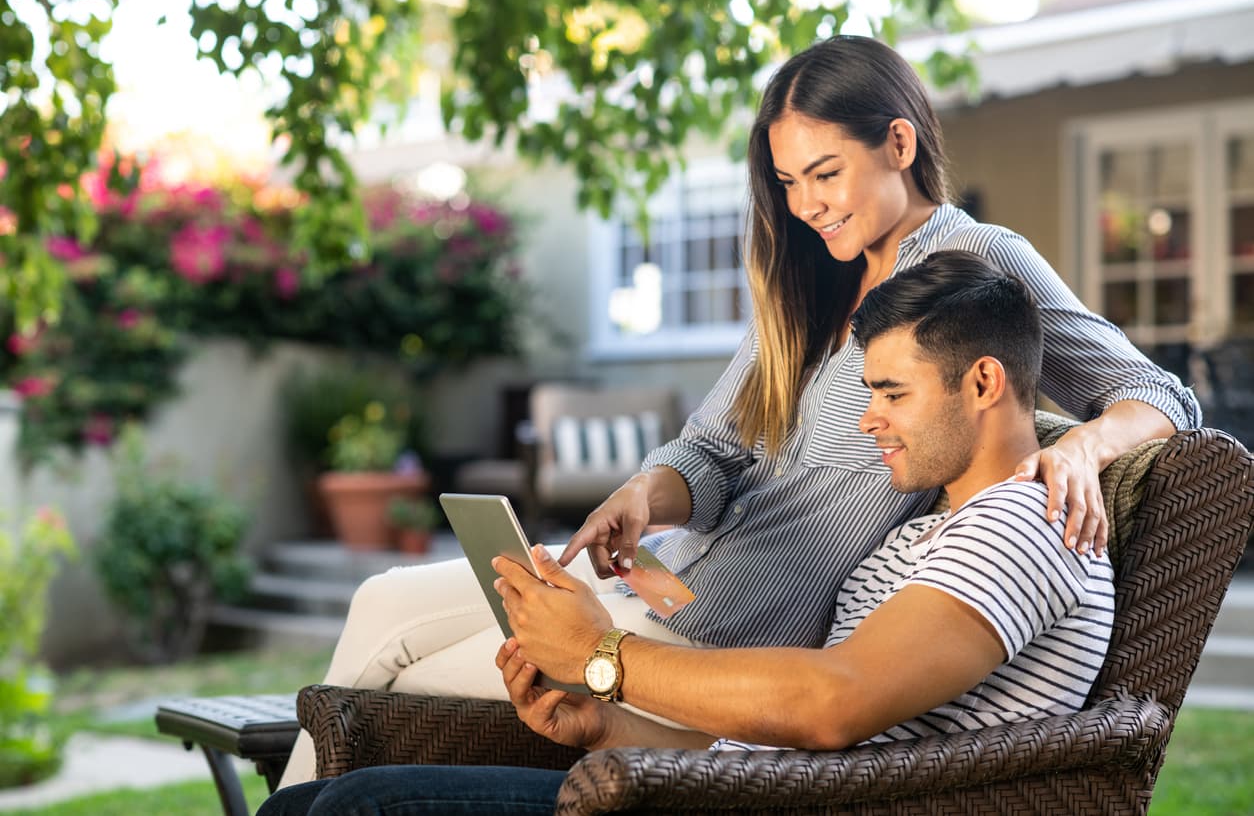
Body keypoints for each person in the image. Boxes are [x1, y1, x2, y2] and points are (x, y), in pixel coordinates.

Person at [276, 35, 1199, 788]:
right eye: (789, 184)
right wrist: (647, 494)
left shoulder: (979, 264)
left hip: (721, 637)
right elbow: (714, 449)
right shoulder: (812, 288)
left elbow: (1162, 395)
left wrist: (1086, 443)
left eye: (825, 174)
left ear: (901, 144)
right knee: (379, 599)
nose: (805, 208)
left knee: (394, 682)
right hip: (656, 580)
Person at [260, 252, 1116, 815]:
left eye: (892, 394)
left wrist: (602, 654)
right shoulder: (931, 529)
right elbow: (784, 744)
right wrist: (605, 725)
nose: (868, 421)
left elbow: (832, 705)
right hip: (717, 787)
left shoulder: (1026, 524)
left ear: (984, 382)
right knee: (303, 807)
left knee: (351, 808)